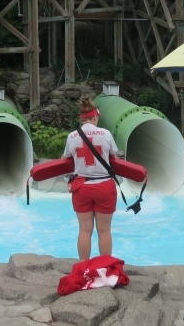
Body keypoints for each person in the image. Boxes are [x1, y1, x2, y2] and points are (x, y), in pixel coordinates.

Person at [63, 97, 119, 260]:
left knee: (84, 230)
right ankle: (106, 267)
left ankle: (84, 269)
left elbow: (66, 161)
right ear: (95, 116)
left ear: (81, 118)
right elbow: (114, 158)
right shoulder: (106, 134)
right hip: (104, 187)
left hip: (82, 187)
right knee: (104, 230)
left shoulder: (72, 136)